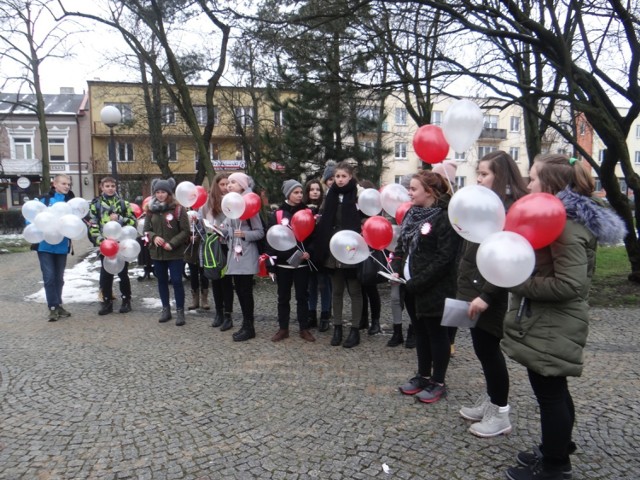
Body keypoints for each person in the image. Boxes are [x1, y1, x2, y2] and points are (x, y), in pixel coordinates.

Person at [502, 154, 626, 480]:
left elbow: (569, 283)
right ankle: (555, 448)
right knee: (554, 390)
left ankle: (556, 467)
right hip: (548, 321)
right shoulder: (560, 220)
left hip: (553, 322)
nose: (527, 185)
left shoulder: (564, 226)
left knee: (550, 394)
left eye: (532, 178)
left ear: (551, 184)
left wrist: (519, 282)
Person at [456, 151, 528, 438]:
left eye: (484, 174)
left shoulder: (508, 211)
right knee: (482, 350)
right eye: (478, 173)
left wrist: (485, 295)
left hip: (491, 296)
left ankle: (500, 412)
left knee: (489, 350)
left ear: (500, 176)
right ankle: (491, 399)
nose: (478, 179)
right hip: (476, 288)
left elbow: (504, 260)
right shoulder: (490, 207)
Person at [393, 170, 461, 404]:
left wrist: (419, 282)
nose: (409, 193)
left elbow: (444, 258)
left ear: (429, 192)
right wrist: (397, 267)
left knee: (437, 335)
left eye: (413, 189)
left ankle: (438, 382)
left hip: (435, 289)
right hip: (411, 286)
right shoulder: (413, 213)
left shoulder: (445, 217)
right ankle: (423, 376)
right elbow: (402, 244)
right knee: (420, 332)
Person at [313, 161, 364, 348]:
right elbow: (324, 219)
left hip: (352, 249)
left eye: (343, 176)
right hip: (334, 249)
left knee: (354, 290)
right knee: (337, 290)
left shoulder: (358, 195)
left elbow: (367, 219)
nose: (340, 180)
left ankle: (355, 329)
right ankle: (337, 328)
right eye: (337, 177)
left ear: (350, 177)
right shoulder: (330, 195)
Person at [267, 179, 316, 343]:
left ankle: (304, 328)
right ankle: (283, 328)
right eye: (296, 192)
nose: (299, 195)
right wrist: (271, 264)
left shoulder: (308, 213)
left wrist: (309, 251)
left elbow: (313, 237)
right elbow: (272, 239)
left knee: (302, 297)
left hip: (302, 263)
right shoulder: (278, 214)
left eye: (301, 192)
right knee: (283, 297)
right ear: (288, 194)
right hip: (283, 263)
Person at [222, 172, 264, 342]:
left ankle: (249, 326)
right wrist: (219, 229)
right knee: (239, 290)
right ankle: (246, 325)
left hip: (246, 254)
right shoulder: (232, 203)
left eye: (233, 182)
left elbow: (260, 232)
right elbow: (227, 227)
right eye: (228, 182)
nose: (229, 185)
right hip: (234, 254)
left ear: (242, 185)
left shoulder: (249, 204)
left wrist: (244, 234)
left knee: (245, 291)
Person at [143, 178, 190, 326]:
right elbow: (145, 230)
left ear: (169, 193)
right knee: (161, 281)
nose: (160, 195)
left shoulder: (178, 209)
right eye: (157, 192)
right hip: (157, 253)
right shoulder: (150, 210)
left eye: (163, 192)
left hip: (174, 253)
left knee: (176, 281)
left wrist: (173, 243)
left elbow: (185, 231)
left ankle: (180, 311)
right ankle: (165, 309)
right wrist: (153, 237)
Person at [88, 176, 137, 315]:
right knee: (105, 274)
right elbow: (93, 224)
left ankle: (126, 300)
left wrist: (120, 219)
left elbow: (133, 221)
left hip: (121, 245)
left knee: (123, 273)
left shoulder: (123, 203)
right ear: (102, 187)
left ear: (116, 187)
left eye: (112, 186)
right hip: (105, 245)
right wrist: (100, 240)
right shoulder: (96, 204)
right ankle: (107, 301)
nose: (110, 188)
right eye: (107, 186)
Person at [33, 174, 74, 321]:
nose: (67, 186)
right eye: (63, 183)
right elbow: (31, 217)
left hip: (62, 246)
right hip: (44, 246)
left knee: (59, 278)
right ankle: (52, 308)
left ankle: (58, 305)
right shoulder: (44, 200)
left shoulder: (70, 202)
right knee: (49, 277)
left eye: (68, 184)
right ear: (54, 184)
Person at [202, 173, 234, 330]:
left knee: (226, 282)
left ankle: (228, 315)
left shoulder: (234, 201)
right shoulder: (208, 203)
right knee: (215, 280)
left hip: (227, 246)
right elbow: (204, 224)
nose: (226, 187)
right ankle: (219, 313)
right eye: (222, 184)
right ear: (216, 186)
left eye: (228, 184)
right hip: (214, 245)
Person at [303, 179, 332, 330]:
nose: (315, 192)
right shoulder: (302, 209)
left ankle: (326, 315)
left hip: (321, 252)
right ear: (307, 192)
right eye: (311, 189)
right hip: (307, 252)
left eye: (317, 189)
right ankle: (311, 314)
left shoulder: (324, 209)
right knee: (311, 285)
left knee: (323, 284)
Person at [358, 179, 382, 336]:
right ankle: (363, 318)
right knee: (360, 287)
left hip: (372, 251)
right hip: (359, 248)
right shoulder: (357, 208)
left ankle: (375, 321)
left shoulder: (376, 209)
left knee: (370, 287)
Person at [184, 207, 209, 312]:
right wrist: (188, 238)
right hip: (191, 254)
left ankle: (204, 299)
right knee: (193, 276)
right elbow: (182, 235)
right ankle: (195, 300)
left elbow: (205, 235)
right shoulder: (185, 223)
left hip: (202, 252)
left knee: (204, 276)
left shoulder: (201, 222)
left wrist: (197, 223)